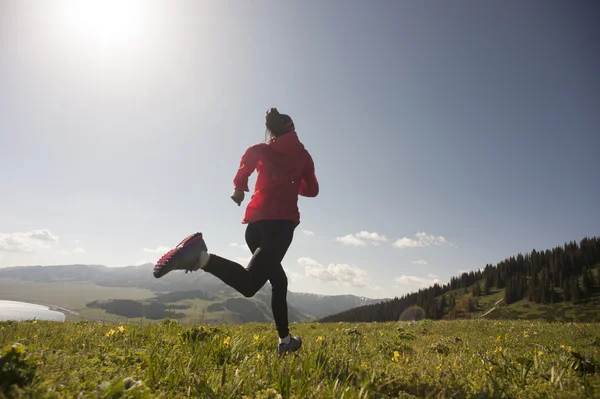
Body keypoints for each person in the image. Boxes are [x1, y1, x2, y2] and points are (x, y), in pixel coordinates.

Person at [153, 108, 319, 356]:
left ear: (272, 131)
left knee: (279, 280)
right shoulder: (303, 156)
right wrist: (294, 181)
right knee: (251, 284)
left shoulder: (263, 150)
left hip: (254, 228)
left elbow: (249, 159)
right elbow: (312, 190)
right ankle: (201, 256)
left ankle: (286, 341)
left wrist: (240, 187)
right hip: (280, 227)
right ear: (293, 130)